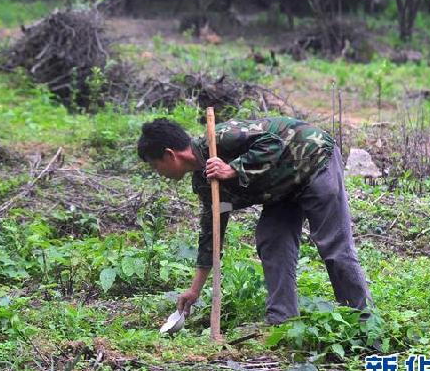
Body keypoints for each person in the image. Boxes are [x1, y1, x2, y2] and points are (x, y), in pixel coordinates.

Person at [137, 116, 371, 325]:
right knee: (272, 239)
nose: (158, 172)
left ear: (170, 154)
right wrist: (194, 290)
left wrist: (233, 168)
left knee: (333, 244)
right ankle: (283, 321)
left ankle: (363, 321)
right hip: (281, 188)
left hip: (311, 157)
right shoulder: (203, 183)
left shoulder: (221, 137)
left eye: (155, 165)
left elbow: (272, 143)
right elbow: (212, 234)